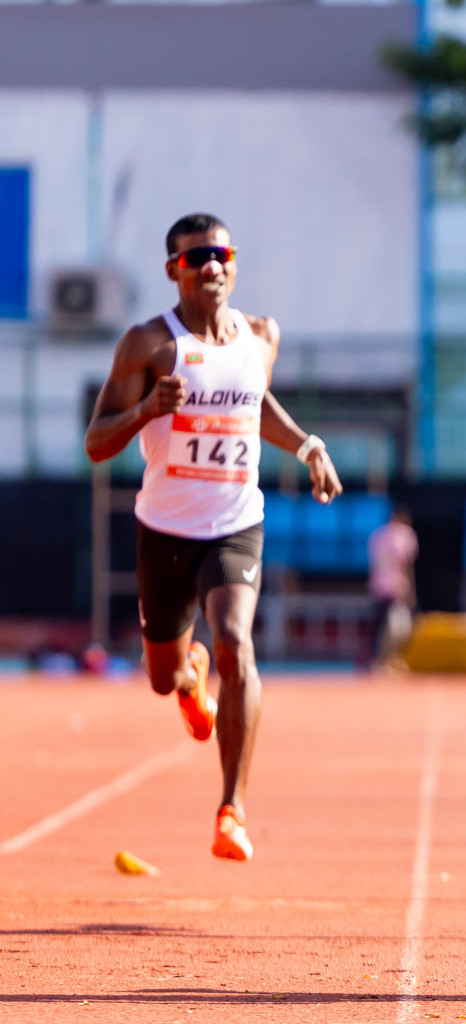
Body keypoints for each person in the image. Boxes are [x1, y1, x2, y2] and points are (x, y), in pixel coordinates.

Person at [84, 212, 342, 862]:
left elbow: (255, 404)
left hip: (235, 523)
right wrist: (146, 410)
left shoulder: (260, 336)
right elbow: (96, 442)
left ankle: (232, 809)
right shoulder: (148, 344)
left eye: (221, 253)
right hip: (165, 528)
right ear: (174, 268)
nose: (212, 265)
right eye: (197, 256)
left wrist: (308, 444)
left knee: (236, 644)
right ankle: (190, 676)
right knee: (163, 678)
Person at [368, 504, 419, 672]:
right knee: (400, 627)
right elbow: (406, 566)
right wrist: (410, 590)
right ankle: (390, 661)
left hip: (380, 586)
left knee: (382, 626)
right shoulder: (405, 535)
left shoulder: (378, 536)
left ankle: (379, 662)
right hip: (397, 586)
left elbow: (374, 565)